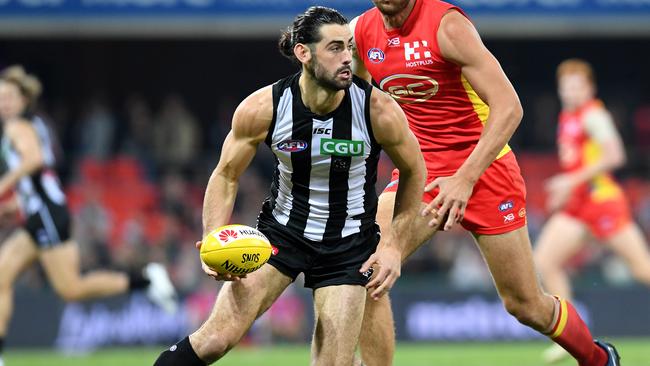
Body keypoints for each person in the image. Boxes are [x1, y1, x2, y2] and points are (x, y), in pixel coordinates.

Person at [152, 6, 425, 366]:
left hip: (348, 247)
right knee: (215, 339)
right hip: (281, 236)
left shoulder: (378, 111)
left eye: (349, 48)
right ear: (303, 52)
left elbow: (415, 171)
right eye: (334, 48)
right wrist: (213, 235)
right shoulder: (263, 108)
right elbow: (225, 174)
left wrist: (392, 245)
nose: (347, 58)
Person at [351, 1, 620, 365]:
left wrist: (465, 179)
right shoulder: (360, 32)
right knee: (367, 264)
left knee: (525, 305)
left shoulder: (448, 26)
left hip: (486, 169)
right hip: (421, 173)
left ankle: (598, 358)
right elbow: (354, 92)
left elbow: (509, 106)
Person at [0, 65, 177, 366]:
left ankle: (144, 279)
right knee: (9, 278)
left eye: (9, 96)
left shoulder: (17, 127)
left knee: (70, 288)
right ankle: (145, 280)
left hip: (45, 215)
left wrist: (4, 184)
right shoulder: (32, 124)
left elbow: (34, 160)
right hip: (43, 213)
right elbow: (40, 177)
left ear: (23, 100)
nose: (3, 102)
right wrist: (14, 206)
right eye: (0, 97)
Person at [534, 58, 650, 363]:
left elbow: (615, 155)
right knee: (545, 260)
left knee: (642, 269)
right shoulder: (567, 116)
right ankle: (569, 336)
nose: (570, 93)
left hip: (601, 202)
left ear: (589, 88)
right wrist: (568, 190)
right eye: (565, 87)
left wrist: (570, 181)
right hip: (578, 205)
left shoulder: (594, 115)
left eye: (576, 87)